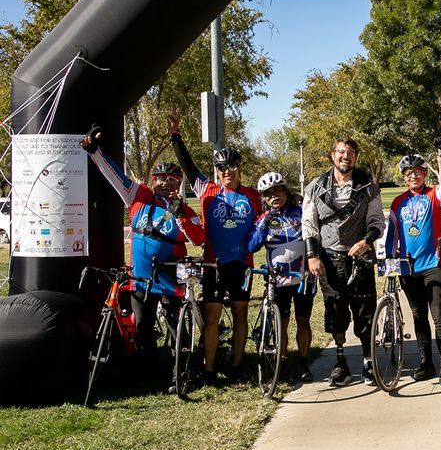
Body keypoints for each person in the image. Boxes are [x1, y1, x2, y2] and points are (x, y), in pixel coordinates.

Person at [79, 125, 204, 372]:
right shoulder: (139, 197)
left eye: (172, 180)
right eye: (161, 179)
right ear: (153, 181)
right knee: (144, 324)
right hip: (142, 275)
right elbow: (115, 176)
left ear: (179, 184)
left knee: (173, 319)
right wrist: (95, 152)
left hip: (171, 273)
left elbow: (198, 239)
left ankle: (179, 365)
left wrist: (181, 216)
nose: (165, 184)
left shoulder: (186, 210)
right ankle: (147, 369)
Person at [168, 109, 262, 385]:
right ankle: (209, 370)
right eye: (221, 167)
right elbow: (187, 165)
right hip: (214, 263)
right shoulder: (207, 190)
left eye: (232, 166)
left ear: (239, 168)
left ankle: (236, 366)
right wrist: (176, 134)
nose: (227, 171)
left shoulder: (253, 196)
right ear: (216, 171)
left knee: (240, 313)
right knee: (212, 318)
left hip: (242, 264)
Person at [302, 137, 384, 386]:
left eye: (350, 152)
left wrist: (366, 242)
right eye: (340, 151)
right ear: (332, 155)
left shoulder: (368, 187)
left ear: (355, 158)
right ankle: (341, 363)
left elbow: (377, 222)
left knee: (365, 314)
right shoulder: (315, 187)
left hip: (360, 259)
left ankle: (369, 363)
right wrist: (312, 255)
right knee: (335, 312)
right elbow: (309, 224)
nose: (345, 156)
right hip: (329, 259)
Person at [384, 137, 441, 386]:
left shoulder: (436, 195)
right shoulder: (398, 202)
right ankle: (427, 363)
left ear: (425, 173)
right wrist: (389, 261)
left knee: (439, 317)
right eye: (408, 173)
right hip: (408, 268)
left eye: (417, 172)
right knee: (418, 317)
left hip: (433, 265)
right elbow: (392, 235)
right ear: (404, 177)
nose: (413, 176)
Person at [247, 172, 316, 382]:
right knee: (282, 322)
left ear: (285, 191)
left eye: (278, 190)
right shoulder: (263, 218)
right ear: (264, 198)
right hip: (279, 279)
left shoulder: (300, 210)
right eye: (268, 194)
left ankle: (303, 363)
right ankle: (283, 361)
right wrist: (264, 224)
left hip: (304, 276)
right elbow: (252, 245)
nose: (274, 196)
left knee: (303, 321)